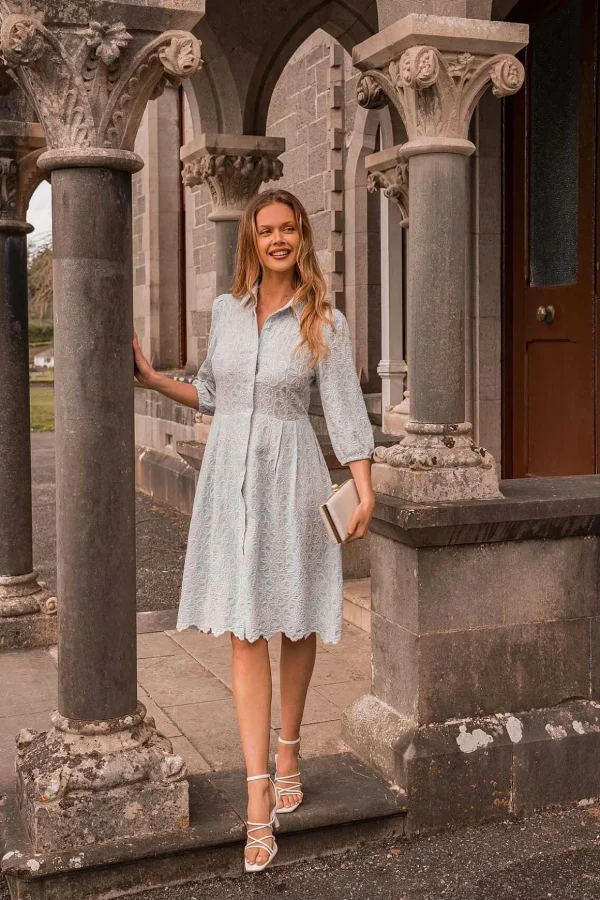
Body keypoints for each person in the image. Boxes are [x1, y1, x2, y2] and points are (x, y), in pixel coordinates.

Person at [133, 188, 375, 872]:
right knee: (245, 628)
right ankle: (258, 799)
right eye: (265, 229)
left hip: (293, 478)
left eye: (287, 229)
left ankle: (292, 748)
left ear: (301, 237)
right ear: (252, 240)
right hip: (231, 483)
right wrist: (153, 380)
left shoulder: (325, 319)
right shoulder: (227, 312)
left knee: (294, 623)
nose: (277, 239)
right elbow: (212, 392)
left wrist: (364, 488)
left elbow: (345, 409)